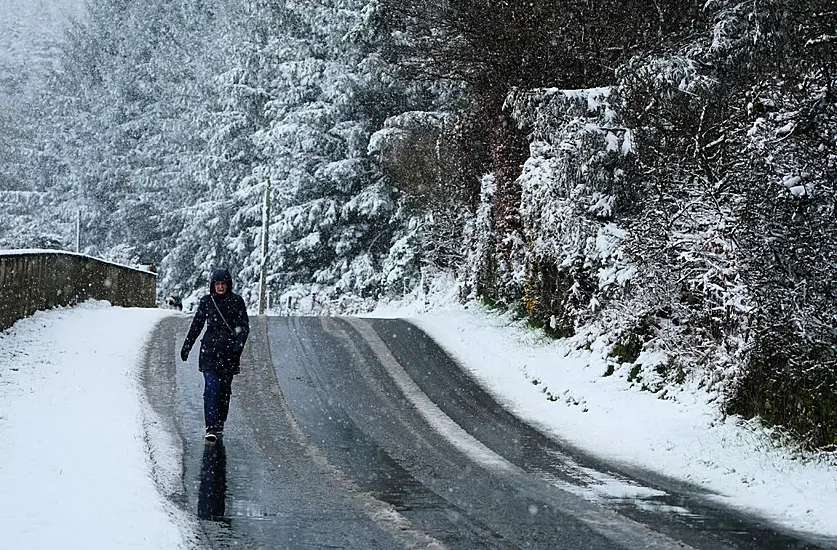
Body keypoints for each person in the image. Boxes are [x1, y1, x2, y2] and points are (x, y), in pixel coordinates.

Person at [180, 268, 250, 442]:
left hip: (229, 354)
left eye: (223, 284)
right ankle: (210, 426)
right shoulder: (207, 302)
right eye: (217, 284)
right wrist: (187, 346)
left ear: (228, 285)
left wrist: (238, 346)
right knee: (212, 388)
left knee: (224, 391)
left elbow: (243, 327)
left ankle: (219, 422)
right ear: (213, 285)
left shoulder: (236, 302)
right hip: (210, 352)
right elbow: (197, 325)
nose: (220, 287)